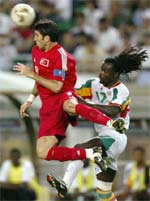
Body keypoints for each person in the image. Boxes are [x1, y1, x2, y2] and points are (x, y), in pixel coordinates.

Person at [13, 19, 121, 167]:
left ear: (47, 38)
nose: (34, 38)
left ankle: (111, 122)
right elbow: (40, 79)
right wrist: (30, 99)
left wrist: (31, 74)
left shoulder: (61, 56)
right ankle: (90, 153)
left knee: (70, 105)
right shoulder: (35, 51)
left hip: (63, 94)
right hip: (48, 105)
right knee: (42, 152)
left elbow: (57, 87)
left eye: (37, 35)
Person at [47, 46, 148, 200]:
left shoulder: (121, 90)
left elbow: (112, 111)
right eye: (101, 69)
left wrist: (85, 105)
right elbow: (73, 94)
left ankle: (65, 184)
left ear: (115, 74)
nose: (101, 73)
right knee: (104, 192)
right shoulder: (93, 84)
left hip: (116, 137)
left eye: (105, 71)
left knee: (79, 148)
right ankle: (98, 157)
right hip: (103, 136)